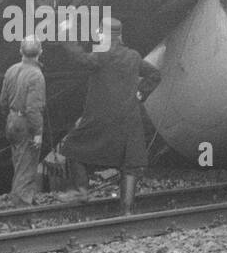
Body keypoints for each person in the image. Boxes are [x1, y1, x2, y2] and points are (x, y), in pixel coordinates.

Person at [52, 17, 160, 212]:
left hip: (101, 117)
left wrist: (67, 36)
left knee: (72, 147)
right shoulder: (134, 56)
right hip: (129, 118)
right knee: (130, 164)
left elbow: (79, 58)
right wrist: (140, 93)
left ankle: (82, 191)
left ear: (105, 35)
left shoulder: (102, 54)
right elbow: (154, 74)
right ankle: (126, 211)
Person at [0, 38, 45, 205]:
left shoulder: (11, 70)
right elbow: (33, 109)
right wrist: (38, 133)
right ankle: (21, 205)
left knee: (19, 163)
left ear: (20, 51)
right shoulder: (36, 75)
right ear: (40, 52)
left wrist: (12, 116)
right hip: (26, 123)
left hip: (12, 121)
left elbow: (2, 101)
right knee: (26, 166)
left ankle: (22, 200)